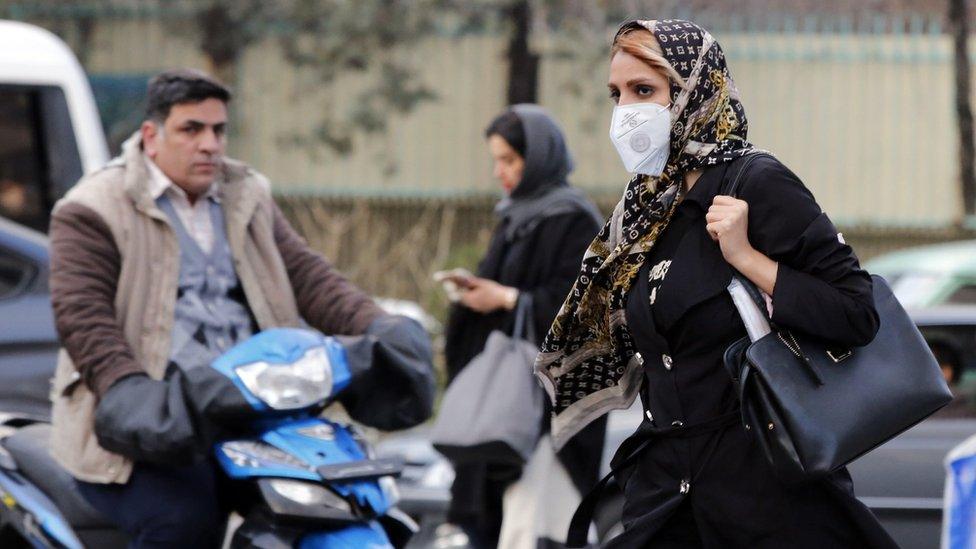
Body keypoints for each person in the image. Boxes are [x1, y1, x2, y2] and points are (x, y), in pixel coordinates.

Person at [535, 19, 899, 548]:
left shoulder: (758, 182)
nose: (626, 112)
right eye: (616, 95)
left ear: (696, 90)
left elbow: (856, 312)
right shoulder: (644, 212)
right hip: (667, 491)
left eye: (644, 91)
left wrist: (747, 258)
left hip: (763, 492)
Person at [48, 69, 433, 547]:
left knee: (339, 501)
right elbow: (83, 319)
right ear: (151, 137)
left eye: (218, 130)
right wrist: (125, 388)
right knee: (184, 522)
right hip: (150, 424)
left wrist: (380, 325)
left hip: (252, 404)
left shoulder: (246, 194)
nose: (209, 144)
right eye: (192, 129)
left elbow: (310, 278)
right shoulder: (92, 207)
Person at [442, 104, 607, 548]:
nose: (500, 172)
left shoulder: (575, 220)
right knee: (489, 526)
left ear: (538, 158)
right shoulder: (514, 217)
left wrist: (510, 299)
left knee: (531, 530)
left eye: (509, 160)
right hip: (500, 407)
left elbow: (586, 311)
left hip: (546, 412)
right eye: (495, 160)